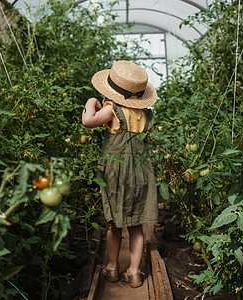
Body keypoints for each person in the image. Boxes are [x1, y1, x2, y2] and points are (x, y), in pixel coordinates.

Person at [82, 60, 158, 288]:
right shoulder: (146, 115)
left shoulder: (111, 110)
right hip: (142, 171)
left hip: (117, 172)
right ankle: (134, 272)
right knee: (136, 225)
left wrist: (91, 101)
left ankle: (113, 268)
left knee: (114, 223)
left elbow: (87, 121)